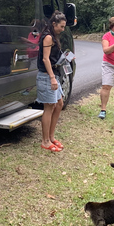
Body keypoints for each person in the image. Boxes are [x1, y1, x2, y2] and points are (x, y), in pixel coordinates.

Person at [37, 10, 67, 152]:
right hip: (46, 76)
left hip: (53, 73)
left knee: (59, 103)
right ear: (54, 24)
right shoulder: (48, 37)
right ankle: (45, 141)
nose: (62, 29)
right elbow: (45, 58)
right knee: (49, 107)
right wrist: (52, 78)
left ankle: (51, 136)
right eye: (61, 26)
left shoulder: (53, 36)